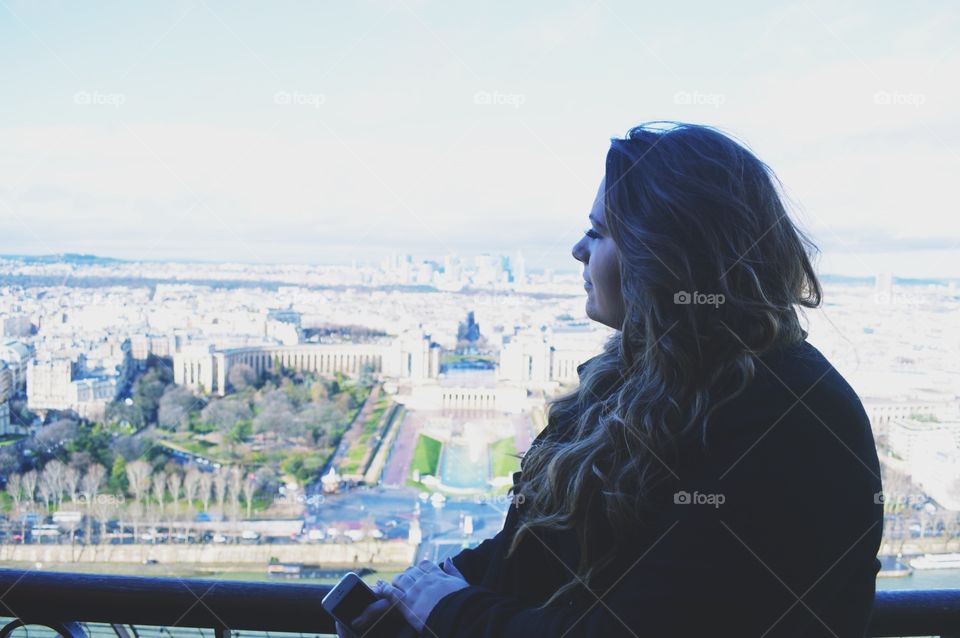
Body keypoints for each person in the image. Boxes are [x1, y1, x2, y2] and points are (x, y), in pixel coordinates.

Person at [339, 122, 884, 637]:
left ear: (665, 256)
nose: (578, 250)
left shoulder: (782, 418)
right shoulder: (663, 378)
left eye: (599, 233)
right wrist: (424, 588)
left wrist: (448, 607)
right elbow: (541, 549)